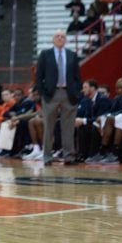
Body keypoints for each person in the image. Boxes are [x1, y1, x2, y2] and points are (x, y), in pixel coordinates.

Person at [35, 29, 81, 165]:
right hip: (51, 94)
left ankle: (69, 156)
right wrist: (43, 93)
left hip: (68, 93)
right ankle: (47, 156)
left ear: (65, 39)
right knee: (48, 127)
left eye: (62, 36)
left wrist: (76, 92)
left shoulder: (72, 55)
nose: (60, 38)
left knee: (68, 127)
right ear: (53, 39)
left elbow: (78, 77)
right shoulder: (45, 54)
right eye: (57, 36)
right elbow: (38, 76)